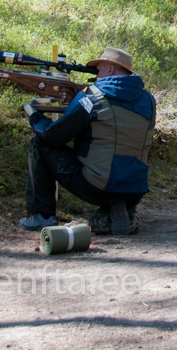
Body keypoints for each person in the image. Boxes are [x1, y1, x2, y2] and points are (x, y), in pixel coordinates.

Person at [20, 47, 157, 236]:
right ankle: (119, 208)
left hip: (99, 187)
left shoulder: (93, 96)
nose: (96, 75)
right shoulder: (149, 100)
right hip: (136, 189)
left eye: (98, 70)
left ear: (109, 69)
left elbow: (55, 136)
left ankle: (43, 216)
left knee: (40, 145)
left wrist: (33, 115)